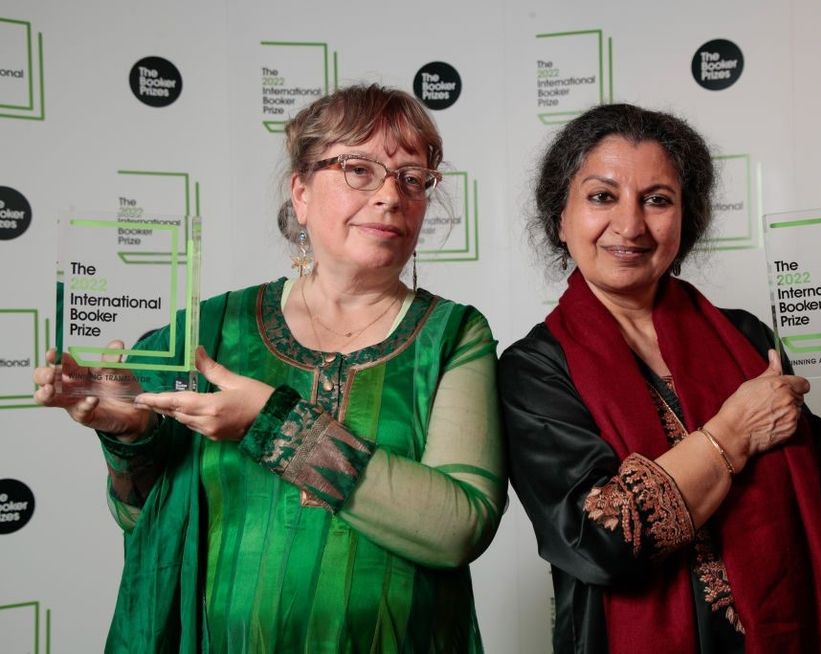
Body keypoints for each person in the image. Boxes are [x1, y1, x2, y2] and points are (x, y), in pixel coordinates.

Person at [34, 84, 505, 652]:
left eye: (412, 178)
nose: (389, 196)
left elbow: (458, 527)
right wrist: (132, 436)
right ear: (301, 192)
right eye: (359, 169)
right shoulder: (209, 333)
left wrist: (273, 423)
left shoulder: (451, 335)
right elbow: (139, 519)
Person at [499, 104, 821, 654]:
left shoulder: (742, 336)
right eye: (602, 196)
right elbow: (601, 544)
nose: (631, 225)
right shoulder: (535, 369)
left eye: (658, 200)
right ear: (560, 217)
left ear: (686, 220)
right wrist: (732, 434)